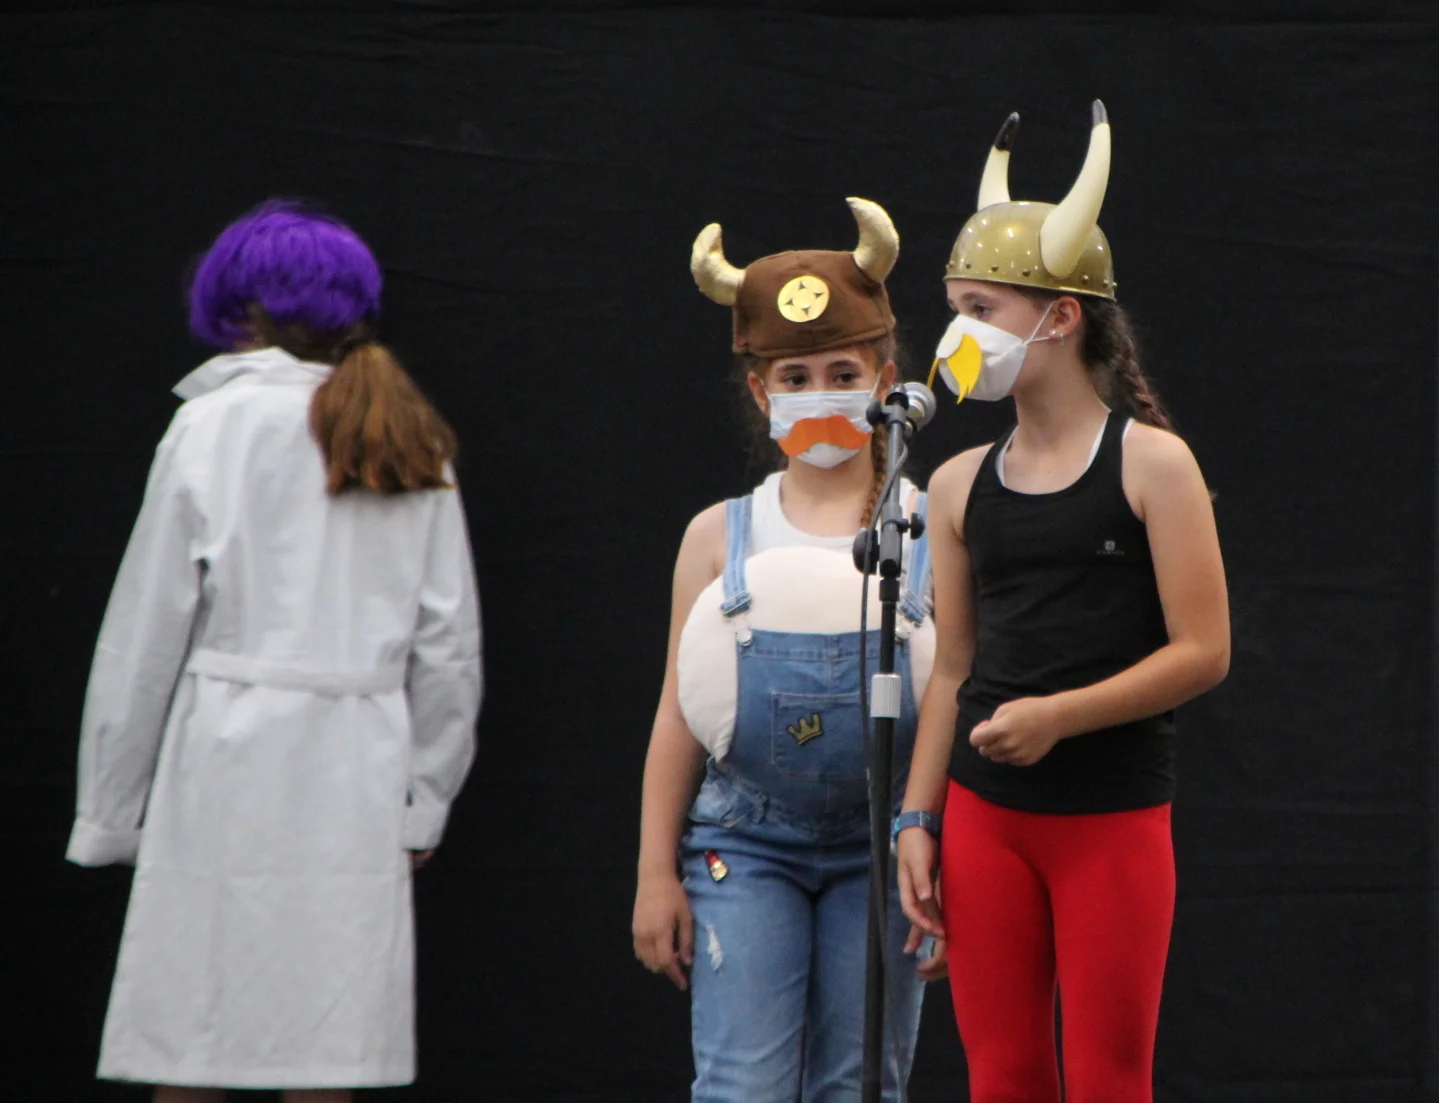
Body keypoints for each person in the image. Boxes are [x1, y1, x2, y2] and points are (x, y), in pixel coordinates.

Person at [65, 200, 483, 1102]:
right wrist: (425, 795)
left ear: (239, 307)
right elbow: (448, 648)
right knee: (327, 1044)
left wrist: (111, 806)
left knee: (193, 1037)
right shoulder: (410, 436)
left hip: (224, 764)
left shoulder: (209, 427)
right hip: (357, 770)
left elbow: (143, 634)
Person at [895, 103, 1230, 1103]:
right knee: (1000, 1074)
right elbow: (953, 667)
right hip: (983, 815)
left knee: (1107, 1077)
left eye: (980, 307)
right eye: (954, 306)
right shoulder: (955, 482)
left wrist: (1058, 716)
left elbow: (1203, 650)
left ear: (1061, 316)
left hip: (1109, 815)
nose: (959, 330)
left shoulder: (1152, 464)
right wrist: (917, 814)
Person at [631, 198, 944, 1102]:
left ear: (886, 380)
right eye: (795, 376)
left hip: (883, 853)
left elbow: (956, 694)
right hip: (743, 845)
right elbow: (676, 712)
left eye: (842, 372)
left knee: (862, 1083)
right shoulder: (717, 535)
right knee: (743, 1084)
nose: (819, 391)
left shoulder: (933, 527)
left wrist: (934, 847)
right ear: (761, 392)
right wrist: (654, 872)